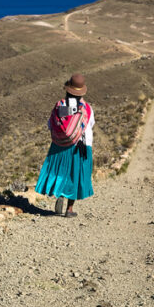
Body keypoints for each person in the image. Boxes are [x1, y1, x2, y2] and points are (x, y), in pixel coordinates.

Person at [35, 73, 94, 217]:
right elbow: (90, 126)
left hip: (59, 145)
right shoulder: (86, 108)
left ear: (67, 90)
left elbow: (50, 125)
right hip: (81, 146)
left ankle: (60, 193)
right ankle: (69, 209)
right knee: (76, 175)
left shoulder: (59, 106)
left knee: (61, 171)